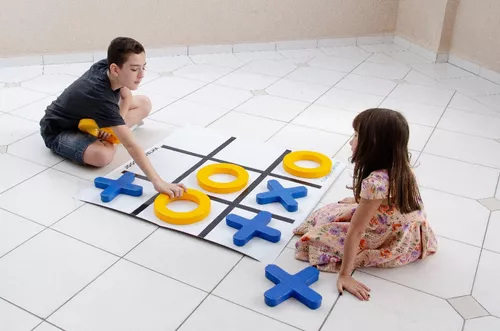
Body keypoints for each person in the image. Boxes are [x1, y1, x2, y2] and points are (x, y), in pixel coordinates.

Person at [293, 108, 438, 301]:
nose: (351, 141)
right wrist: (359, 201)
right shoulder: (402, 164)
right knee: (337, 210)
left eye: (356, 135)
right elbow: (390, 198)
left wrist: (345, 274)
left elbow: (356, 231)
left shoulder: (375, 183)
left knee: (317, 231)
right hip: (412, 236)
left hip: (390, 238)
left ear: (373, 144)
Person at [39, 37, 186, 198]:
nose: (141, 75)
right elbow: (130, 145)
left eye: (143, 67)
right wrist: (158, 181)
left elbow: (127, 98)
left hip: (90, 118)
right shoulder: (100, 96)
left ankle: (110, 132)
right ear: (116, 69)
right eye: (134, 69)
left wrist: (112, 130)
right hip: (59, 130)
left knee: (144, 103)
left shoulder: (108, 66)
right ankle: (107, 137)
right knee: (103, 156)